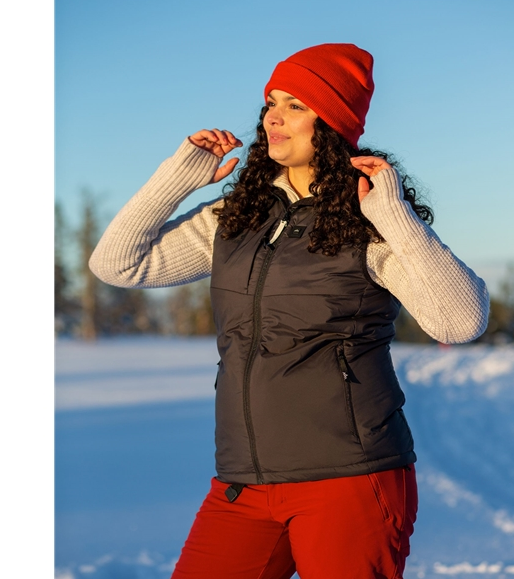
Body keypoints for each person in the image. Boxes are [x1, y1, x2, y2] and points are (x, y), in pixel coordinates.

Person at [89, 43, 489, 579]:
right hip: (245, 481)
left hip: (348, 478)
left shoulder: (367, 218)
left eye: (295, 105)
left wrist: (394, 215)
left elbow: (460, 321)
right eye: (271, 103)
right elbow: (118, 264)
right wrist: (178, 177)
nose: (273, 117)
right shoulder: (238, 216)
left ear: (333, 122)